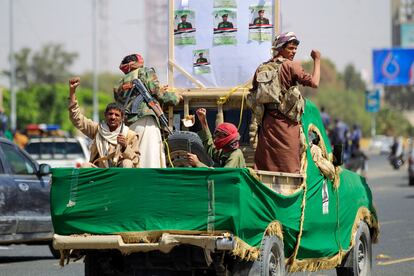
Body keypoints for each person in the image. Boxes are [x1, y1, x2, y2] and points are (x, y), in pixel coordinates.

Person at [252, 32, 321, 173]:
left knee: (266, 168)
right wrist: (317, 60)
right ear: (280, 48)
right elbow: (314, 82)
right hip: (287, 126)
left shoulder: (262, 68)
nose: (294, 51)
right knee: (290, 169)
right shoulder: (290, 66)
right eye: (290, 48)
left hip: (267, 126)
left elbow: (253, 93)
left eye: (295, 48)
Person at [114, 54, 181, 168]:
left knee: (134, 157)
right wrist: (176, 97)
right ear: (136, 63)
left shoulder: (120, 83)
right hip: (146, 122)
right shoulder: (145, 72)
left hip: (128, 127)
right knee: (149, 158)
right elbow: (158, 93)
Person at [68, 77, 139, 168]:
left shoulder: (130, 135)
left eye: (117, 115)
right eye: (110, 114)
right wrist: (72, 91)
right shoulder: (97, 129)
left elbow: (136, 160)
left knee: (127, 163)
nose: (113, 117)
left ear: (122, 118)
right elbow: (76, 118)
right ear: (105, 115)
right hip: (100, 172)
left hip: (119, 174)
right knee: (85, 166)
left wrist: (125, 146)